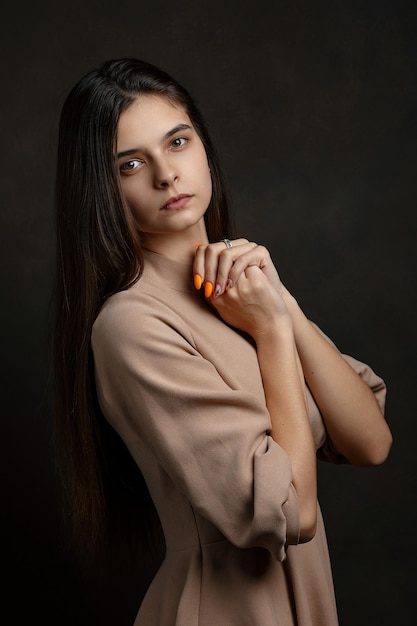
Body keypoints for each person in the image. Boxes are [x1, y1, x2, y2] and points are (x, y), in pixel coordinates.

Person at [52, 57, 392, 626]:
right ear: (100, 188)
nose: (167, 175)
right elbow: (295, 514)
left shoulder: (244, 289)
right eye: (131, 164)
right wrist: (272, 334)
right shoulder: (132, 324)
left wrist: (282, 308)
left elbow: (371, 443)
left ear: (203, 146)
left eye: (178, 142)